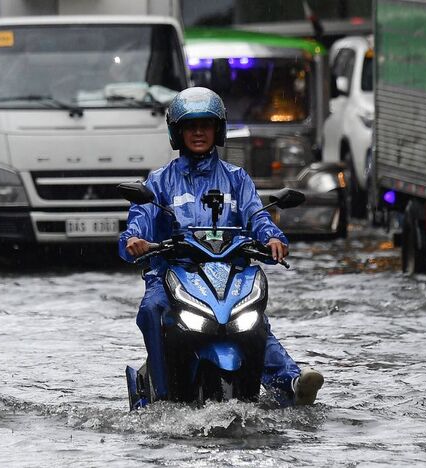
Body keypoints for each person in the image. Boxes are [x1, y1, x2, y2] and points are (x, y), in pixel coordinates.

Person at [118, 87, 323, 406]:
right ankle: (161, 398)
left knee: (254, 319)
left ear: (218, 130)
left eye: (206, 124)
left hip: (231, 273)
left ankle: (291, 383)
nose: (198, 132)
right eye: (190, 125)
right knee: (151, 310)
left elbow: (257, 215)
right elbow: (141, 218)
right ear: (177, 132)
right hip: (172, 275)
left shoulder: (237, 179)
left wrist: (272, 239)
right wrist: (135, 240)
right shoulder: (159, 181)